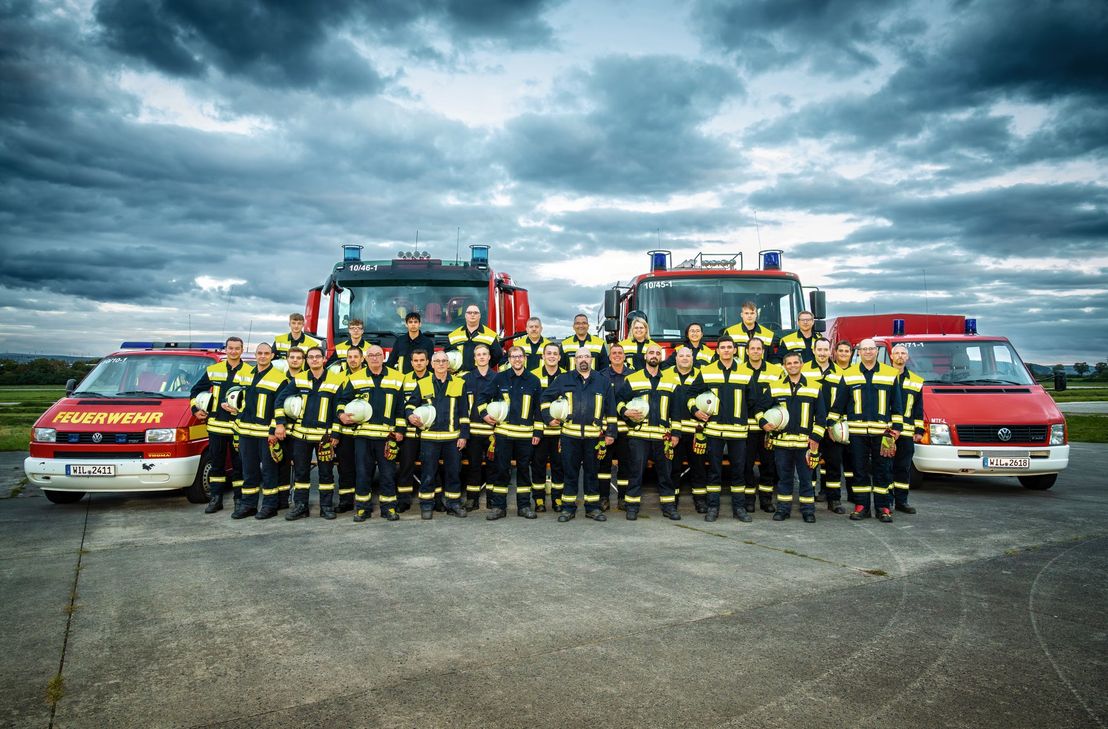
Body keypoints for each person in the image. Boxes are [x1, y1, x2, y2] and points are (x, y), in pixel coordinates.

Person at [689, 335, 772, 522]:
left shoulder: (745, 372)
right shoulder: (707, 371)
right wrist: (695, 410)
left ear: (735, 350)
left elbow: (751, 401)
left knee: (738, 471)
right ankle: (713, 508)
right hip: (714, 431)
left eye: (729, 347)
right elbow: (690, 393)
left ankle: (739, 508)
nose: (726, 350)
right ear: (717, 351)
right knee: (714, 471)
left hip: (738, 431)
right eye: (723, 347)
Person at [830, 338, 904, 523]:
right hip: (856, 434)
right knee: (859, 471)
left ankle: (883, 507)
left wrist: (896, 430)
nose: (868, 352)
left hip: (884, 434)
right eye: (865, 349)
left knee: (884, 471)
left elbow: (897, 405)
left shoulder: (890, 373)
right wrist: (830, 425)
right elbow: (839, 404)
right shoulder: (849, 374)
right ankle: (861, 506)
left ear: (877, 352)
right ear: (859, 352)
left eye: (872, 349)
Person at [542, 348, 615, 522]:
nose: (583, 359)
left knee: (592, 473)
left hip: (594, 437)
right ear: (574, 360)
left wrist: (611, 432)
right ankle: (568, 509)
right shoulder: (563, 379)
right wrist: (548, 418)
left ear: (591, 360)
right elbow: (545, 398)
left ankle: (593, 508)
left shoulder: (603, 382)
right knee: (570, 473)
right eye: (580, 357)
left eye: (586, 356)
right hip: (569, 437)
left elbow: (610, 409)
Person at [339, 345, 406, 522]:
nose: (374, 358)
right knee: (362, 473)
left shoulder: (397, 378)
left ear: (383, 356)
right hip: (363, 436)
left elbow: (401, 407)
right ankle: (362, 509)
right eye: (371, 355)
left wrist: (400, 430)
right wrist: (341, 415)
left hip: (387, 437)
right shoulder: (355, 378)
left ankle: (389, 507)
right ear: (365, 358)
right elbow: (342, 401)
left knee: (388, 473)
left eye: (378, 355)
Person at [615, 343, 681, 520]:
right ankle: (632, 506)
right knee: (635, 472)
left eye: (657, 353)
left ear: (661, 357)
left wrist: (675, 433)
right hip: (639, 435)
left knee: (665, 473)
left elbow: (676, 410)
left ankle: (669, 507)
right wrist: (625, 412)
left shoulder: (671, 381)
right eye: (650, 352)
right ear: (645, 357)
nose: (654, 355)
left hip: (663, 436)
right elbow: (619, 401)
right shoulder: (633, 379)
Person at [477, 346, 542, 520]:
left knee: (523, 472)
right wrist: (484, 415)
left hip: (526, 436)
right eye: (513, 357)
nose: (517, 360)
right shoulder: (500, 378)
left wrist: (537, 431)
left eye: (520, 356)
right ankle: (499, 507)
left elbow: (538, 409)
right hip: (503, 435)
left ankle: (524, 506)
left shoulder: (534, 381)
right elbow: (482, 398)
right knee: (501, 470)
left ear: (525, 358)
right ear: (509, 359)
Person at [190, 336, 251, 514]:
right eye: (230, 348)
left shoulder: (249, 371)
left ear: (242, 349)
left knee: (240, 465)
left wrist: (240, 410)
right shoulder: (213, 370)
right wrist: (195, 408)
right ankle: (216, 499)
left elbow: (253, 398)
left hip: (238, 427)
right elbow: (196, 390)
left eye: (237, 348)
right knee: (217, 465)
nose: (233, 351)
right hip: (216, 425)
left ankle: (239, 499)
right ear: (226, 349)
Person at [406, 351, 470, 519]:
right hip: (429, 439)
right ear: (431, 364)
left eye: (444, 361)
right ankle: (426, 506)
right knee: (428, 473)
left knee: (453, 473)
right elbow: (410, 405)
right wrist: (410, 416)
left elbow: (464, 412)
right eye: (438, 361)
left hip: (452, 439)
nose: (441, 364)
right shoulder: (423, 383)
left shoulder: (459, 383)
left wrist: (463, 435)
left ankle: (453, 504)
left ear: (448, 364)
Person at [230, 342, 290, 520]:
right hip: (246, 432)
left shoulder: (280, 379)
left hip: (266, 433)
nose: (262, 356)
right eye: (259, 353)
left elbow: (279, 408)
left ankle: (270, 505)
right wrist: (232, 406)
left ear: (272, 356)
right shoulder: (244, 374)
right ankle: (248, 505)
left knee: (269, 471)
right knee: (249, 471)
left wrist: (274, 430)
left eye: (266, 353)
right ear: (255, 355)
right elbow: (238, 397)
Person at [284, 346, 344, 521]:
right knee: (301, 472)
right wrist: (281, 423)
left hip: (324, 437)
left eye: (318, 356)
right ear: (306, 360)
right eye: (310, 357)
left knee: (326, 473)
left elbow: (338, 408)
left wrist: (336, 434)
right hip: (301, 437)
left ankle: (326, 506)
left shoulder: (336, 380)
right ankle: (300, 506)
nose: (314, 360)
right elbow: (282, 400)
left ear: (324, 359)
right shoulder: (299, 379)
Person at [765, 352, 826, 523]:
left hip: (805, 444)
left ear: (801, 364)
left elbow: (821, 417)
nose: (792, 365)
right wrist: (764, 423)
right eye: (789, 363)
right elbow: (761, 409)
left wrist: (815, 438)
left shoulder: (814, 387)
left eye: (795, 362)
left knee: (806, 479)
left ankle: (808, 510)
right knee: (784, 478)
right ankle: (783, 509)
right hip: (782, 443)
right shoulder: (775, 386)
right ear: (784, 366)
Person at [802, 339, 847, 514]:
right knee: (809, 463)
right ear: (813, 351)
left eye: (825, 350)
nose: (822, 353)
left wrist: (830, 423)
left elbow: (842, 401)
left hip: (832, 427)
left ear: (831, 352)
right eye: (819, 349)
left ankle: (834, 499)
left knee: (834, 464)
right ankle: (809, 496)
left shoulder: (840, 373)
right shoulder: (804, 370)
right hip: (810, 427)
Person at [742, 337, 783, 514]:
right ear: (747, 351)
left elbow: (780, 395)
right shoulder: (739, 371)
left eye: (759, 348)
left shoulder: (776, 371)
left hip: (769, 428)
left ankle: (766, 500)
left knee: (768, 465)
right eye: (753, 348)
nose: (756, 351)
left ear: (763, 351)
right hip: (747, 427)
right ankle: (749, 500)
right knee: (746, 465)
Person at [669, 346, 708, 513]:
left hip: (695, 431)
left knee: (698, 467)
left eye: (688, 356)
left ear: (693, 358)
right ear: (676, 358)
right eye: (681, 355)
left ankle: (700, 500)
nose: (684, 358)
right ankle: (672, 500)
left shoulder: (702, 375)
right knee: (673, 468)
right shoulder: (666, 375)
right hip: (673, 432)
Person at [530, 343, 566, 512]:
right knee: (538, 465)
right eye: (548, 353)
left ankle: (558, 499)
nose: (552, 356)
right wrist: (537, 430)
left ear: (559, 357)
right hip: (541, 432)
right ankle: (538, 500)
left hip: (562, 432)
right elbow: (533, 407)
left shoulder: (567, 377)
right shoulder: (534, 377)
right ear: (542, 356)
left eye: (555, 354)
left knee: (559, 466)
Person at [598, 343, 633, 510]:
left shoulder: (633, 376)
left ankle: (623, 499)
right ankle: (604, 498)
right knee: (603, 466)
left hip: (626, 430)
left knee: (625, 465)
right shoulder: (601, 376)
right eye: (614, 353)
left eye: (620, 353)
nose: (617, 355)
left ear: (624, 356)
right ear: (609, 357)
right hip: (605, 430)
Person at [890, 344, 924, 514]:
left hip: (907, 432)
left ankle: (902, 501)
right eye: (897, 353)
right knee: (886, 467)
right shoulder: (884, 376)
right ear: (891, 356)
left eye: (903, 353)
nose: (900, 356)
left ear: (908, 357)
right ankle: (886, 500)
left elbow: (918, 408)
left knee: (903, 468)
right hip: (887, 431)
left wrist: (919, 431)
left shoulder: (916, 381)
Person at [462, 344, 496, 511]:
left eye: (485, 354)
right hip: (473, 431)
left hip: (492, 433)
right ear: (474, 359)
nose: (482, 357)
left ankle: (492, 499)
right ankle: (472, 499)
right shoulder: (466, 379)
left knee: (492, 467)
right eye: (479, 355)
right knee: (473, 466)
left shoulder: (498, 378)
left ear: (489, 357)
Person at [396, 348, 431, 512]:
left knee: (431, 467)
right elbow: (400, 406)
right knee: (406, 466)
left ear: (427, 362)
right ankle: (404, 500)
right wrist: (401, 429)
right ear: (411, 363)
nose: (419, 363)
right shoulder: (403, 380)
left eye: (421, 360)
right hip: (409, 432)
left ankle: (435, 499)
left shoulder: (434, 379)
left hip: (430, 432)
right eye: (415, 360)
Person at [333, 347, 367, 513]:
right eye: (350, 357)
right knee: (345, 468)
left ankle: (362, 501)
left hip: (365, 432)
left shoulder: (369, 376)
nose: (353, 359)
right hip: (345, 432)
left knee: (364, 468)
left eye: (356, 356)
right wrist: (336, 432)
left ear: (362, 358)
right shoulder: (339, 378)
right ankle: (346, 501)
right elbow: (336, 406)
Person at [448, 305, 503, 371]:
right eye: (469, 313)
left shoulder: (490, 335)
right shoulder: (453, 335)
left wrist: (485, 367)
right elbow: (447, 355)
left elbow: (498, 355)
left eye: (476, 313)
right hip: (458, 377)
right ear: (465, 315)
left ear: (480, 316)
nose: (472, 315)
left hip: (481, 377)